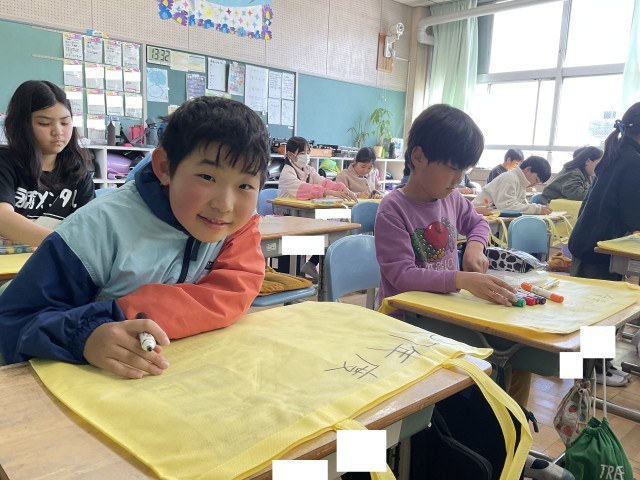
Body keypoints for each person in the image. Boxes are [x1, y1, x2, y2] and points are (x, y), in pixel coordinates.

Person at [0, 96, 269, 378]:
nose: (225, 205)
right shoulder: (97, 230)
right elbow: (14, 321)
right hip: (69, 383)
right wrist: (86, 336)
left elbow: (235, 290)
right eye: (207, 177)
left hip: (164, 377)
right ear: (164, 168)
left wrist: (130, 311)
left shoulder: (237, 225)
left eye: (245, 186)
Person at [0, 80, 95, 246]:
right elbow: (3, 218)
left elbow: (90, 228)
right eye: (44, 123)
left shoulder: (79, 173)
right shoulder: (5, 162)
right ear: (21, 125)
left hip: (55, 259)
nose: (58, 132)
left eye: (65, 122)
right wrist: (63, 244)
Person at [569, 103, 640, 281]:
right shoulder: (632, 161)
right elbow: (635, 217)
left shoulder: (618, 154)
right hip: (598, 254)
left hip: (590, 246)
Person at [278, 136, 357, 282]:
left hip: (303, 218)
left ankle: (317, 269)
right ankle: (315, 273)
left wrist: (342, 188)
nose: (306, 156)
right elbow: (304, 189)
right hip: (287, 222)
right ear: (290, 154)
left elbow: (324, 182)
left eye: (308, 152)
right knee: (327, 237)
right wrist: (329, 192)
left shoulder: (309, 170)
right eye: (302, 153)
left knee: (336, 229)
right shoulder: (287, 173)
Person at [472, 156, 553, 214]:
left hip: (489, 218)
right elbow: (507, 207)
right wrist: (537, 209)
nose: (535, 184)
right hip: (475, 217)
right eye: (536, 180)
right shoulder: (510, 178)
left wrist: (539, 208)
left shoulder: (520, 182)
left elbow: (522, 206)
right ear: (527, 170)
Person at [538, 146, 603, 204]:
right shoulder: (573, 173)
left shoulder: (585, 174)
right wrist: (599, 194)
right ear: (587, 161)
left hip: (559, 205)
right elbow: (576, 194)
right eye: (597, 165)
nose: (599, 168)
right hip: (549, 205)